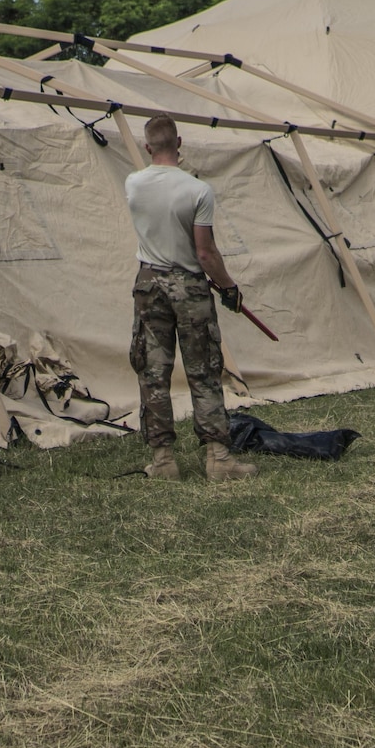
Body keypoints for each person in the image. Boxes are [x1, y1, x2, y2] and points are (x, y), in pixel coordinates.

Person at [124, 114, 257, 482]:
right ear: (179, 143)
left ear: (148, 147)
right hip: (191, 287)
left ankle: (164, 460)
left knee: (153, 373)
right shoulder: (198, 190)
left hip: (149, 284)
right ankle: (218, 458)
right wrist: (229, 287)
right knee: (203, 371)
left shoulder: (134, 184)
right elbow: (205, 253)